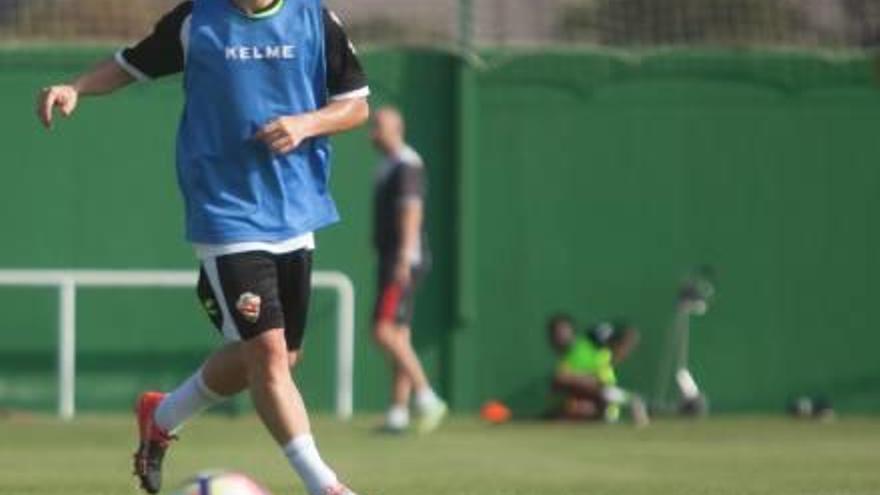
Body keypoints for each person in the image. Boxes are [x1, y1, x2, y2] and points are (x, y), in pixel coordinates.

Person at [35, 1, 369, 494]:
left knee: (278, 358)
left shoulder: (315, 18)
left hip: (297, 209)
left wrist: (306, 123)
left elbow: (356, 104)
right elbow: (131, 62)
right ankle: (325, 486)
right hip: (225, 210)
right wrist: (76, 87)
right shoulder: (199, 18)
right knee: (270, 356)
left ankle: (162, 413)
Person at [369, 107, 447, 433]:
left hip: (403, 260)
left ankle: (427, 397)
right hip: (394, 257)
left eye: (379, 127)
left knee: (382, 331)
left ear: (397, 129)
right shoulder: (387, 166)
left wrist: (403, 257)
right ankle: (398, 414)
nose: (372, 133)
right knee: (400, 335)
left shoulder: (406, 165)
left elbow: (411, 211)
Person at [546, 314, 648, 426]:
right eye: (557, 333)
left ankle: (630, 401)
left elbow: (630, 333)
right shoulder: (567, 359)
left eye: (564, 331)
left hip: (607, 407)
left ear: (572, 330)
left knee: (564, 379)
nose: (561, 336)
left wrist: (619, 354)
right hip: (587, 412)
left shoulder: (589, 340)